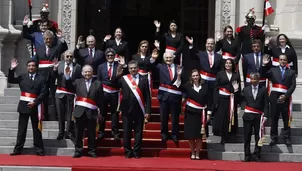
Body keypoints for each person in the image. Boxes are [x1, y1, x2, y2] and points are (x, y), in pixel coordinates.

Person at [8, 58, 47, 156]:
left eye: (33, 66)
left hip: (35, 106)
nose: (31, 67)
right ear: (27, 67)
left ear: (36, 67)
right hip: (24, 106)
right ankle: (17, 149)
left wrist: (36, 102)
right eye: (29, 66)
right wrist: (12, 70)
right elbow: (11, 80)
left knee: (36, 129)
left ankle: (39, 149)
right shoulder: (22, 76)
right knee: (22, 130)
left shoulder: (41, 78)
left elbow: (44, 92)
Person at [116, 60, 151, 158]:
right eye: (131, 68)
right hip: (126, 110)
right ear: (128, 69)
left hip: (139, 109)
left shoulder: (144, 79)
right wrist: (118, 75)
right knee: (126, 132)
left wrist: (148, 111)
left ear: (138, 68)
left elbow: (148, 96)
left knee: (138, 132)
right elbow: (114, 85)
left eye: (134, 68)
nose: (133, 69)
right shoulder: (123, 79)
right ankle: (127, 151)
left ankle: (136, 151)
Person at [262, 54, 296, 146]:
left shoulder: (291, 72)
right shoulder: (273, 70)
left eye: (284, 60)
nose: (282, 61)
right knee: (274, 118)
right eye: (281, 60)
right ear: (279, 61)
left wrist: (286, 95)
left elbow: (293, 86)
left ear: (287, 61)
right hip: (274, 97)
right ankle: (274, 138)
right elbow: (263, 74)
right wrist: (264, 65)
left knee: (286, 119)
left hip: (285, 97)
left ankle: (286, 138)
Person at [34, 30, 68, 121]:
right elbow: (36, 61)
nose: (48, 40)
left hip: (53, 74)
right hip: (41, 75)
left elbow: (64, 48)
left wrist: (61, 39)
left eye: (50, 39)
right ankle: (44, 115)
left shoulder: (56, 47)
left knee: (53, 96)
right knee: (43, 95)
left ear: (53, 39)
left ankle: (54, 116)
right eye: (46, 39)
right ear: (44, 39)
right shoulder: (39, 48)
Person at [72, 65, 104, 158]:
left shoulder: (98, 83)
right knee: (78, 133)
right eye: (85, 72)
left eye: (89, 71)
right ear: (82, 73)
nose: (87, 73)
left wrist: (101, 112)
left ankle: (92, 150)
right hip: (79, 111)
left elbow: (101, 100)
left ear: (92, 72)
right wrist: (67, 74)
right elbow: (68, 85)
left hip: (92, 112)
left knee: (91, 133)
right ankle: (78, 150)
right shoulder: (77, 82)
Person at [186, 37, 222, 116]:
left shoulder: (219, 56)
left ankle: (211, 115)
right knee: (203, 97)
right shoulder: (201, 54)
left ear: (214, 45)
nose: (210, 45)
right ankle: (202, 114)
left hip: (213, 81)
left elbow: (220, 69)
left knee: (212, 98)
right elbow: (192, 55)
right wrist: (191, 45)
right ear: (206, 44)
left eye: (212, 43)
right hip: (203, 80)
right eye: (208, 43)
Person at [96, 48, 126, 140]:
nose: (110, 57)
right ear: (105, 57)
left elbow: (125, 76)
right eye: (108, 55)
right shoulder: (101, 66)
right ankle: (101, 132)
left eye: (111, 55)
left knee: (114, 113)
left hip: (114, 92)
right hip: (104, 92)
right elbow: (98, 80)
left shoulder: (119, 65)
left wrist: (124, 65)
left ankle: (115, 132)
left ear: (114, 56)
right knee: (102, 112)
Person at [52, 50, 82, 140]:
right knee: (60, 114)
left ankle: (68, 132)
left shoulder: (77, 67)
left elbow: (79, 80)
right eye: (67, 56)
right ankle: (61, 132)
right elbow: (52, 77)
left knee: (69, 114)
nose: (69, 58)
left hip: (70, 93)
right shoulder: (59, 64)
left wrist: (69, 79)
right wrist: (54, 69)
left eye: (71, 56)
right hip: (60, 93)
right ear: (64, 57)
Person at [182, 69, 209, 160]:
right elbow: (178, 87)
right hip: (190, 113)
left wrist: (209, 112)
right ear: (191, 77)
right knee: (191, 135)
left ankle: (198, 153)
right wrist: (178, 76)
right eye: (193, 76)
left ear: (199, 76)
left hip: (201, 114)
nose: (195, 77)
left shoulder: (205, 86)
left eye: (197, 75)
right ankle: (192, 152)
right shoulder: (187, 86)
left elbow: (209, 99)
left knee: (199, 136)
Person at [241, 72, 269, 162]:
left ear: (258, 80)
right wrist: (236, 90)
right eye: (252, 79)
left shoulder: (263, 89)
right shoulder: (246, 89)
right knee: (247, 136)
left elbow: (266, 104)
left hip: (258, 116)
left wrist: (266, 115)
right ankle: (247, 155)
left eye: (255, 79)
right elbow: (239, 99)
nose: (253, 81)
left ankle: (257, 154)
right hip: (248, 116)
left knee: (258, 136)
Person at [212, 59, 241, 144]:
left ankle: (230, 135)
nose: (228, 65)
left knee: (231, 116)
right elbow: (216, 88)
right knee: (222, 117)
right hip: (222, 98)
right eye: (227, 63)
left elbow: (238, 88)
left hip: (232, 99)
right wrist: (215, 100)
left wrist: (236, 90)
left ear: (232, 65)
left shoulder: (236, 75)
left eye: (230, 63)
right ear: (224, 65)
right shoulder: (220, 74)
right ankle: (222, 136)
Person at [157, 52, 183, 143]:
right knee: (164, 117)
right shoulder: (160, 67)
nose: (168, 59)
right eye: (167, 58)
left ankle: (175, 134)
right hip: (164, 96)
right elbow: (150, 66)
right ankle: (164, 134)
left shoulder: (179, 68)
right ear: (164, 59)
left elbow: (182, 83)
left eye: (170, 57)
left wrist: (179, 75)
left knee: (175, 117)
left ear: (173, 58)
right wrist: (153, 57)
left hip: (175, 96)